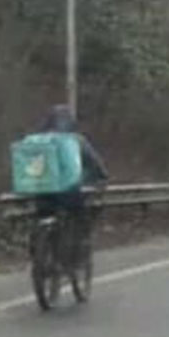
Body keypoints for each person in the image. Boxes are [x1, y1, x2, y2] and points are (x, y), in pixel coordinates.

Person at [34, 104, 110, 262]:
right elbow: (94, 162)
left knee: (43, 216)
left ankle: (40, 252)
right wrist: (102, 177)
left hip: (42, 191)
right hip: (68, 193)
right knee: (79, 216)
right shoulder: (77, 140)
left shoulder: (38, 140)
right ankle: (78, 250)